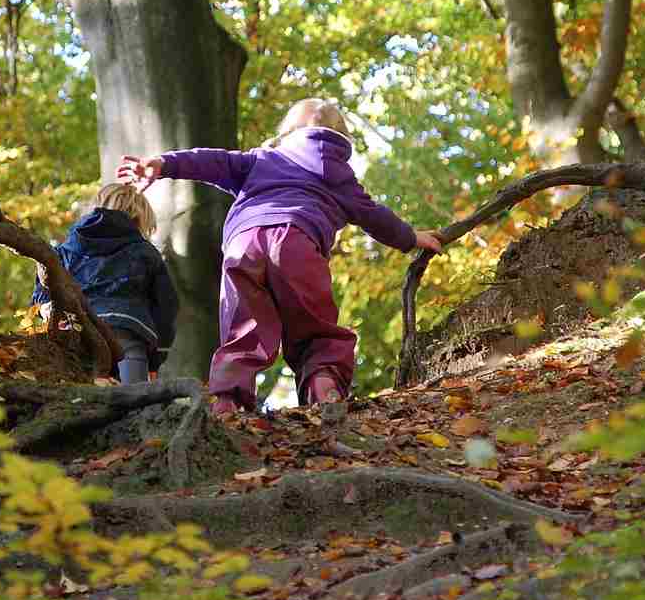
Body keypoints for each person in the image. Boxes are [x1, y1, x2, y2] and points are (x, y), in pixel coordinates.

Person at [117, 98, 443, 414]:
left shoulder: (262, 159)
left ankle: (229, 403)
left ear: (285, 132)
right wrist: (412, 237)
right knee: (315, 330)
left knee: (242, 333)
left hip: (243, 245)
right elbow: (374, 216)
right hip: (297, 243)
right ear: (342, 139)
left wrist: (163, 164)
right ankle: (324, 388)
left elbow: (212, 161)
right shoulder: (340, 176)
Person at [32, 184, 177, 384]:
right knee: (134, 402)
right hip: (127, 333)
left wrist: (52, 316)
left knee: (81, 400)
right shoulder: (146, 252)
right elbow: (165, 308)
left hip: (78, 332)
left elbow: (42, 297)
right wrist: (156, 359)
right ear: (139, 219)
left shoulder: (63, 251)